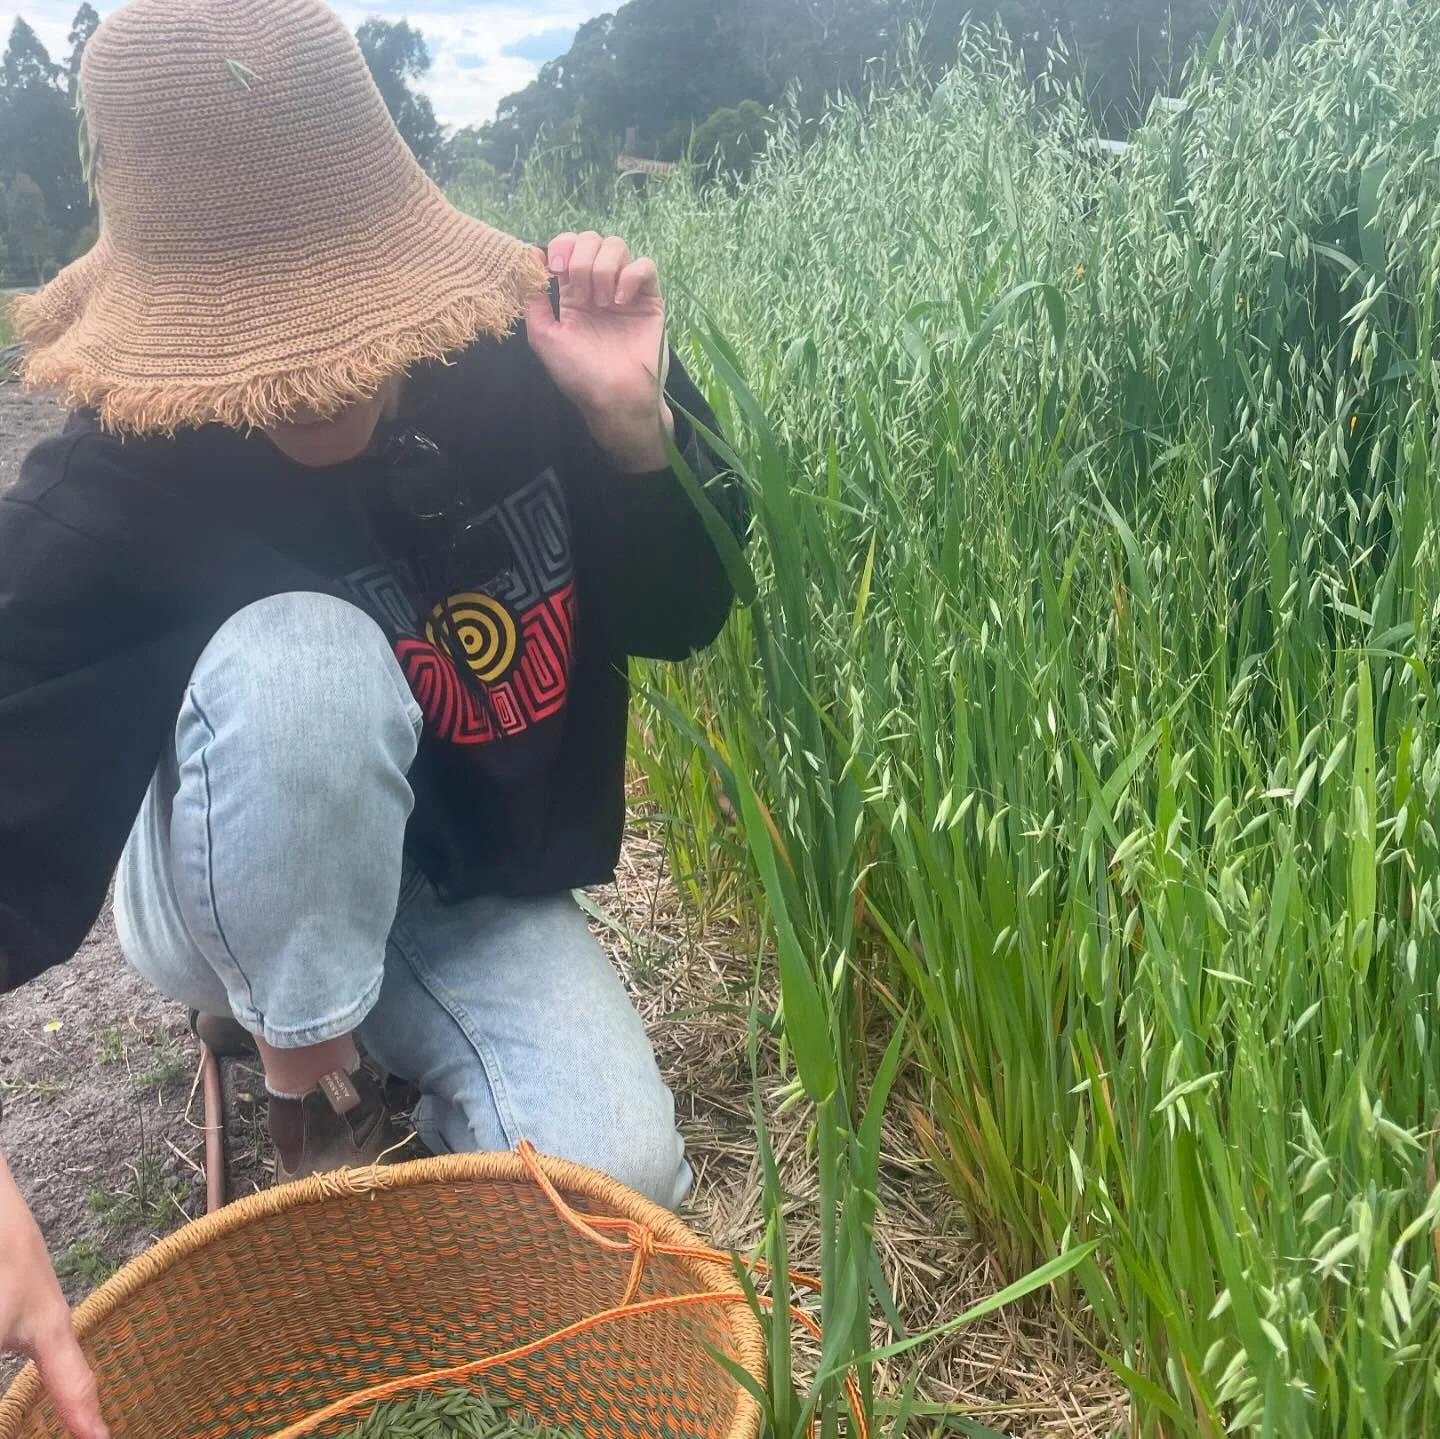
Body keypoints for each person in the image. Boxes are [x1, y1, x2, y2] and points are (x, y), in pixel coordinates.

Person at [0, 0, 746, 1430]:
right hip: (229, 870)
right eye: (259, 333)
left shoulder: (529, 358)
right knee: (306, 662)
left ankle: (376, 1024)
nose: (323, 372)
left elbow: (691, 610)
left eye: (342, 309)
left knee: (617, 1196)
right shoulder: (125, 476)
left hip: (458, 883)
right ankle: (306, 1088)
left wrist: (634, 435)